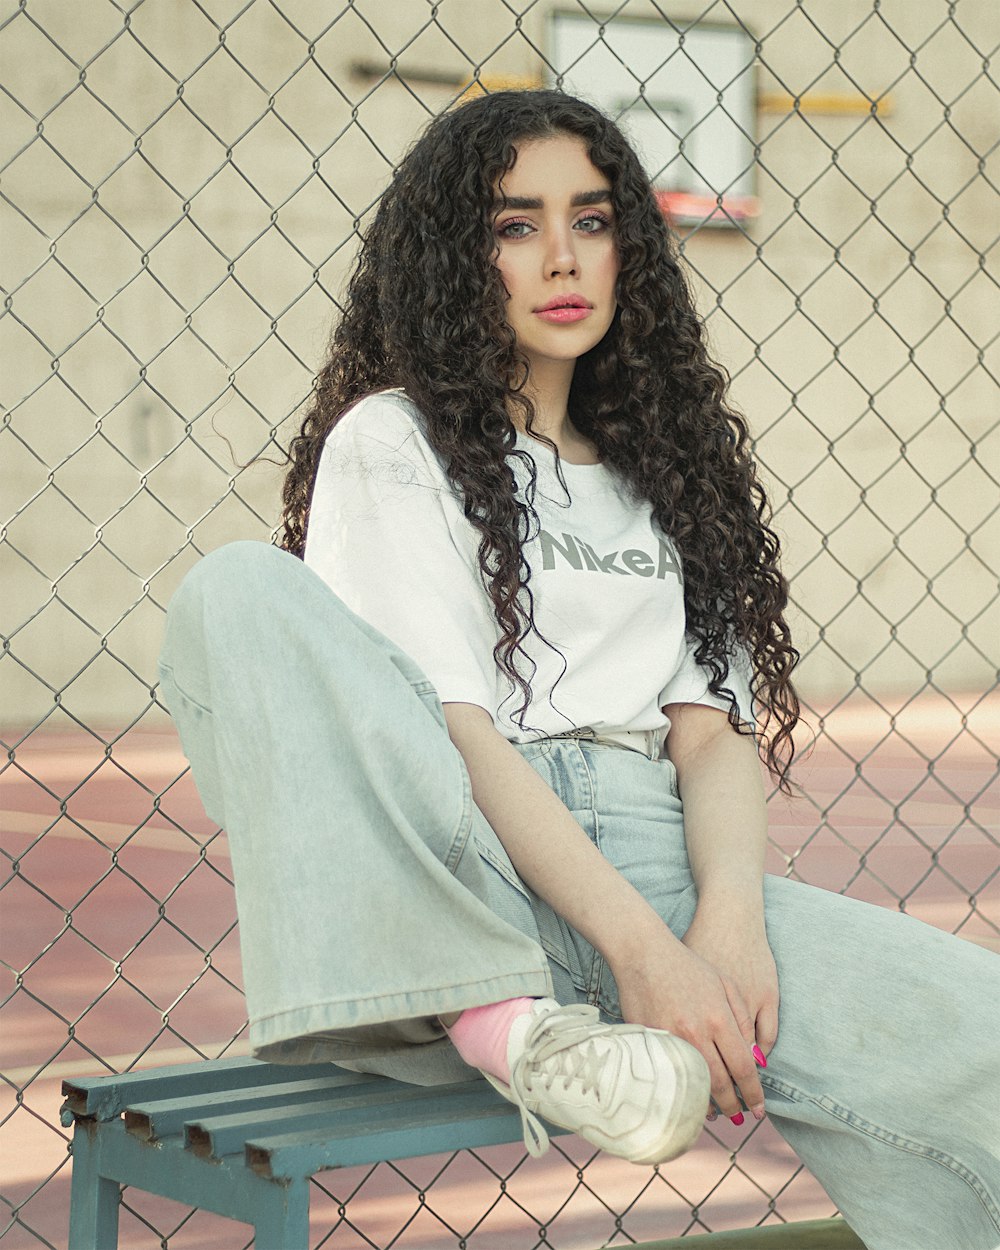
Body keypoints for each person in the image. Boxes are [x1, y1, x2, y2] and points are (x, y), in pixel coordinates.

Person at [159, 90, 1000, 1247]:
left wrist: (729, 927)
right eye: (514, 225)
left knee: (984, 1042)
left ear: (628, 249)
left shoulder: (669, 471)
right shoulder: (394, 443)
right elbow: (451, 728)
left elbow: (710, 738)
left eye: (591, 220)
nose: (561, 256)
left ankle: (531, 1027)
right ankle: (507, 1024)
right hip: (470, 866)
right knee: (236, 587)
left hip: (660, 856)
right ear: (457, 257)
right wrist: (640, 954)